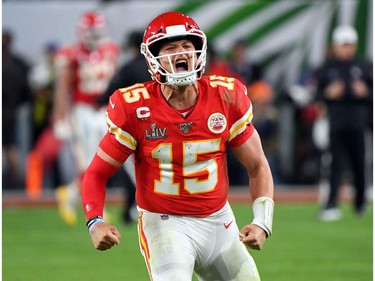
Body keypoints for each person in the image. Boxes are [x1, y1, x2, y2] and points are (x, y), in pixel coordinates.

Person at [82, 11, 274, 281]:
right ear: (152, 58)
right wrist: (95, 221)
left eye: (187, 46)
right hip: (164, 222)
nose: (180, 53)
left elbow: (257, 165)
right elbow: (96, 173)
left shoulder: (226, 96)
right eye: (170, 48)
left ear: (199, 53)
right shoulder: (135, 107)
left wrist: (261, 222)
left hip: (219, 222)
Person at [52, 11, 120, 225]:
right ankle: (95, 208)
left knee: (104, 158)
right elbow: (63, 88)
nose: (95, 36)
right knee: (87, 161)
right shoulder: (71, 54)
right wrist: (59, 116)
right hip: (81, 110)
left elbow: (115, 81)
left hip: (103, 109)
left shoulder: (110, 50)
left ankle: (69, 195)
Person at [314, 25, 372, 221]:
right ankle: (331, 204)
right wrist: (328, 94)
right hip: (336, 123)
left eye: (350, 45)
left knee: (359, 163)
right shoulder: (327, 68)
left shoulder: (364, 67)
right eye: (344, 45)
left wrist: (365, 93)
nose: (347, 49)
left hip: (358, 123)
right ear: (336, 46)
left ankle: (360, 204)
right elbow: (316, 94)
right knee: (336, 165)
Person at [96, 30, 150, 225]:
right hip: (161, 126)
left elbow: (106, 95)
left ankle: (135, 209)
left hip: (134, 127)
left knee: (133, 170)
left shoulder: (127, 68)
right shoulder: (158, 67)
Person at [2, 29, 33, 189]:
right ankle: (16, 182)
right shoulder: (18, 63)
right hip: (16, 110)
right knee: (14, 148)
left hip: (10, 111)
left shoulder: (13, 65)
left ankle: (13, 182)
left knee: (11, 148)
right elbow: (27, 90)